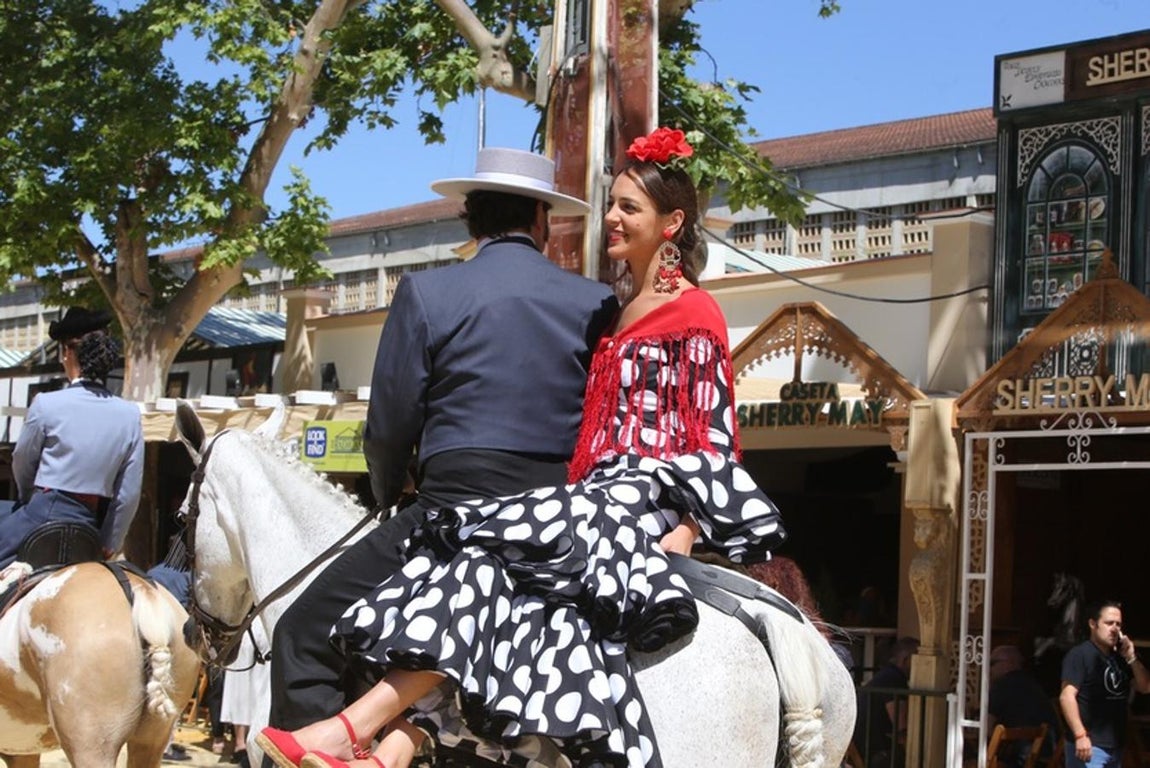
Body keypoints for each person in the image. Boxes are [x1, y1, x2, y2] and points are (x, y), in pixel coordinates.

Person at [257, 127, 787, 768]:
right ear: (541, 218)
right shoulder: (605, 305)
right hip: (582, 490)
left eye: (628, 207)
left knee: (446, 576)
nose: (612, 218)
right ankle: (387, 748)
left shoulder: (688, 310)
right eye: (612, 204)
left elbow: (712, 430)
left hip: (612, 498)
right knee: (489, 575)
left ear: (672, 223)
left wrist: (686, 524)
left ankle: (354, 730)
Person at [263, 146, 619, 761]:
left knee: (304, 631)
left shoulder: (427, 292)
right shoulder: (595, 301)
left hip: (448, 510)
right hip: (552, 522)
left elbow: (390, 423)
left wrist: (387, 492)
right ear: (541, 219)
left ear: (470, 217)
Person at [4, 306, 143, 568]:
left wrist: (29, 498)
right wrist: (110, 541)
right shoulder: (130, 415)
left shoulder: (46, 404)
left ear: (68, 353)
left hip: (42, 513)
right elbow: (128, 494)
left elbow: (22, 461)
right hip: (89, 524)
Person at [1060, 600, 1150, 767]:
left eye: (1118, 624)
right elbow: (1067, 696)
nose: (1114, 629)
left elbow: (1145, 687)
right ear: (1093, 624)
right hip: (1090, 746)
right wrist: (1080, 735)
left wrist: (1131, 658)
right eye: (1109, 623)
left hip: (1116, 746)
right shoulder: (1080, 655)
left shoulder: (1121, 658)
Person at [987, 645, 1058, 767]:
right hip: (1043, 756)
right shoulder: (1034, 684)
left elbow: (986, 728)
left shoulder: (1002, 685)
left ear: (1008, 663)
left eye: (992, 663)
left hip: (1017, 758)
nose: (989, 669)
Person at [855, 636, 919, 766]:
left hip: (863, 748)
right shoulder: (893, 679)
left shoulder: (885, 675)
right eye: (918, 659)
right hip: (878, 753)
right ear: (906, 660)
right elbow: (900, 725)